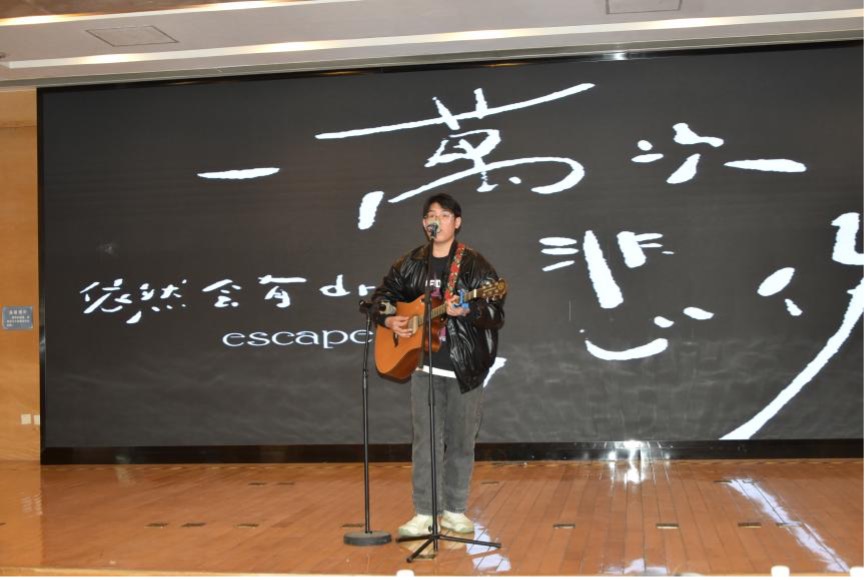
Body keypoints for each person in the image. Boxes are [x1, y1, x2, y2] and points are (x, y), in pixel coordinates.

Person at [371, 193, 505, 537]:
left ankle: (455, 510)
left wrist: (469, 309)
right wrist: (389, 319)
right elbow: (380, 298)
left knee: (461, 442)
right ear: (424, 223)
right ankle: (424, 513)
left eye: (445, 215)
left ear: (457, 222)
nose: (438, 221)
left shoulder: (475, 265)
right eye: (432, 215)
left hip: (465, 367)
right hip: (422, 365)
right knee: (425, 443)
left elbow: (495, 312)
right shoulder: (411, 262)